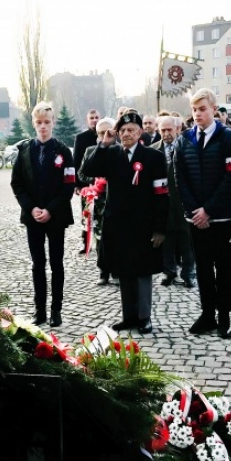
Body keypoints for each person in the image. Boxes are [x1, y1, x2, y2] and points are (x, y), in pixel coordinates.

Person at [82, 109, 168, 335]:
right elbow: (87, 170)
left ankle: (144, 317)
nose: (127, 134)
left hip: (144, 225)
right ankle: (128, 316)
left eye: (131, 130)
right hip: (118, 225)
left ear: (140, 132)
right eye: (122, 130)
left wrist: (160, 228)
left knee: (142, 273)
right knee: (124, 270)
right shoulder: (110, 154)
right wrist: (103, 143)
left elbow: (161, 194)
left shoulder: (154, 157)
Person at [174, 89, 231, 339]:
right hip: (196, 219)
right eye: (194, 110)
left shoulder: (229, 138)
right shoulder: (184, 140)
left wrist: (209, 210)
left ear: (214, 109)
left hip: (223, 218)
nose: (198, 114)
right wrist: (196, 211)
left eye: (202, 109)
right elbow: (179, 178)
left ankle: (224, 317)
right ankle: (207, 315)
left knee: (224, 269)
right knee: (203, 268)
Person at [10, 102, 76, 327]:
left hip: (56, 216)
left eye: (47, 122)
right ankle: (39, 310)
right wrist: (31, 208)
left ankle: (56, 309)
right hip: (33, 216)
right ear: (33, 124)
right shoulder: (25, 150)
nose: (43, 127)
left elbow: (68, 185)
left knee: (56, 263)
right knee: (38, 263)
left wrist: (50, 209)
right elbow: (17, 183)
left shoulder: (63, 151)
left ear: (53, 122)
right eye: (39, 123)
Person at [151, 116, 195, 288]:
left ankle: (188, 273)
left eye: (170, 130)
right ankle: (168, 272)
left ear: (178, 129)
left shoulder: (187, 147)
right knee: (166, 238)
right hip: (162, 202)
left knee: (186, 239)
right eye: (163, 130)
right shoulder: (153, 150)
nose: (166, 134)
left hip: (184, 201)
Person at [78, 117, 116, 286]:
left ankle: (117, 271)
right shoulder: (90, 151)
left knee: (116, 237)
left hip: (116, 199)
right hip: (99, 200)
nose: (104, 135)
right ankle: (103, 272)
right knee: (100, 237)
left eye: (108, 132)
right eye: (101, 133)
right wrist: (96, 180)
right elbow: (81, 173)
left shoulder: (120, 150)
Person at [74, 109, 102, 252]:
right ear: (87, 120)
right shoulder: (81, 138)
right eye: (92, 118)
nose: (94, 120)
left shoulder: (106, 135)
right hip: (87, 184)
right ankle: (86, 243)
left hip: (103, 184)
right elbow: (76, 161)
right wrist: (77, 185)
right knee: (87, 213)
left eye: (97, 117)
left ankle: (101, 243)